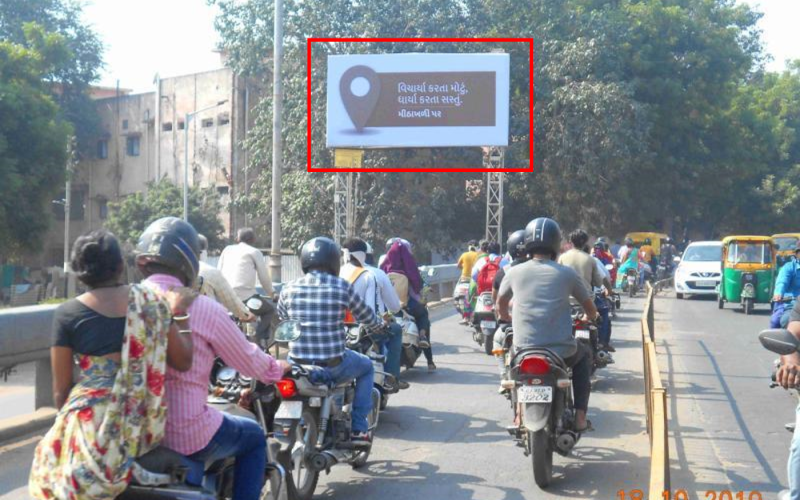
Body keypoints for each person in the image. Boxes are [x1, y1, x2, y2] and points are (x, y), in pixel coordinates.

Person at [29, 230, 195, 500]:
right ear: (120, 266)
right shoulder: (152, 303)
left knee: (46, 471)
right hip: (141, 422)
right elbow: (184, 361)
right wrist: (180, 313)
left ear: (79, 272)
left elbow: (61, 392)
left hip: (87, 424)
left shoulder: (66, 313)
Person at [138, 217, 290, 500]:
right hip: (184, 432)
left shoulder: (123, 302)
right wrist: (277, 368)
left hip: (128, 432)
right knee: (254, 436)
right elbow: (248, 359)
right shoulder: (201, 307)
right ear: (188, 261)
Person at [496, 217, 599, 433]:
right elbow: (589, 307)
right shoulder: (567, 274)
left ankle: (517, 414)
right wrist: (590, 316)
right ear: (555, 244)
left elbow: (500, 303)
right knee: (584, 358)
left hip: (523, 349)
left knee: (511, 367)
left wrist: (505, 316)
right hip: (561, 351)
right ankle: (580, 418)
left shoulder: (512, 272)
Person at [279, 237, 381, 443]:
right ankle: (359, 427)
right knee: (367, 366)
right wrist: (378, 325)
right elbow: (367, 316)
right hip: (332, 366)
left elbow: (283, 318)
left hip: (297, 366)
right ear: (334, 261)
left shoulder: (288, 288)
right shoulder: (342, 287)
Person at [340, 238, 409, 390]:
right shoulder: (375, 274)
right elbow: (394, 306)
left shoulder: (337, 274)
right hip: (367, 329)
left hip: (339, 330)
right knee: (396, 330)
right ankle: (392, 377)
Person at [381, 238, 436, 371]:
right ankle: (429, 358)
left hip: (388, 307)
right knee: (423, 314)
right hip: (407, 306)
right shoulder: (409, 267)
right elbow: (418, 286)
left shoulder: (383, 268)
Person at [218, 227, 275, 343]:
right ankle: (257, 340)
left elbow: (218, 271)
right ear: (253, 239)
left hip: (225, 297)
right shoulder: (254, 252)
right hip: (247, 298)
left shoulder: (227, 250)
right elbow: (264, 278)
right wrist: (273, 294)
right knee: (269, 310)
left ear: (237, 239)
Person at [197, 234, 256, 324]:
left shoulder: (176, 271)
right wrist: (246, 315)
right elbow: (231, 301)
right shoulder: (210, 272)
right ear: (203, 252)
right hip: (207, 323)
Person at [771, 243, 800, 328]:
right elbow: (782, 282)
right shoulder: (789, 267)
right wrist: (778, 293)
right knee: (784, 320)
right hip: (792, 304)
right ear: (797, 254)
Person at [456, 240, 480, 324]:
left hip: (464, 279)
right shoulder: (478, 255)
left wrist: (464, 267)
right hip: (474, 280)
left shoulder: (464, 255)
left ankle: (466, 317)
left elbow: (458, 265)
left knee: (459, 295)